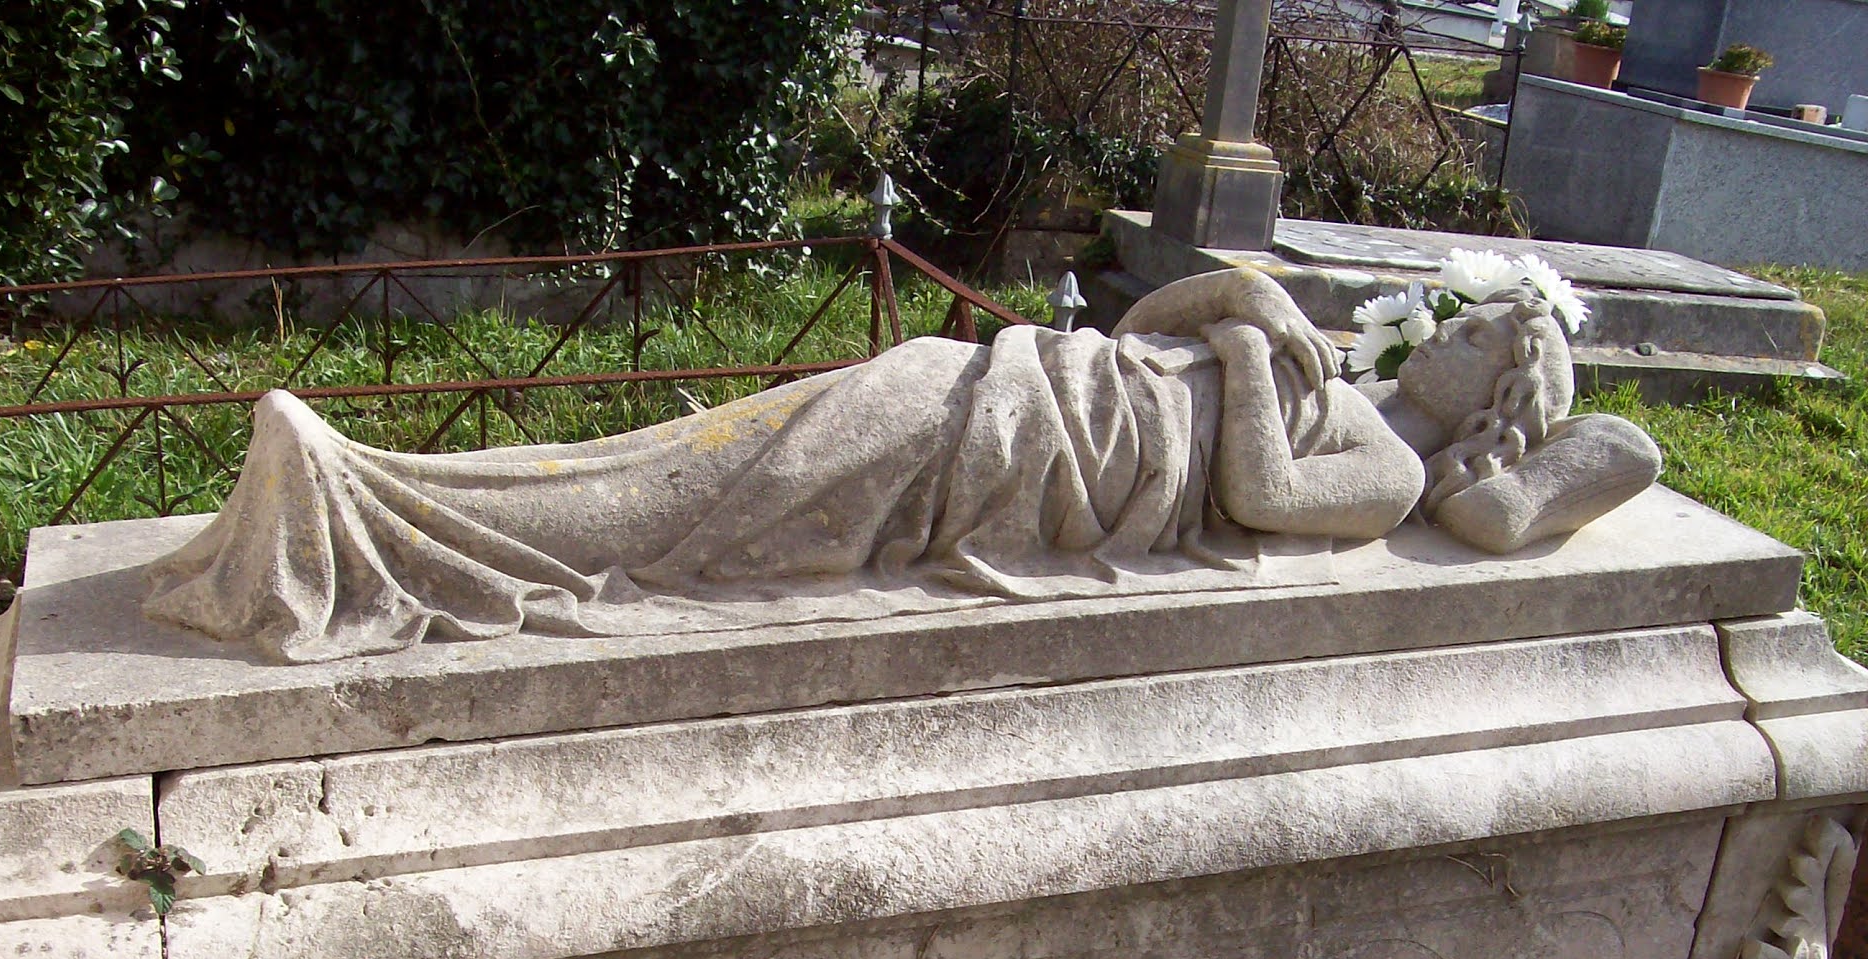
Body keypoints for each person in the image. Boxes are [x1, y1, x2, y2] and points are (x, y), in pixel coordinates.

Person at [143, 269, 1658, 663]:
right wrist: (1246, 300)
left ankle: (367, 521)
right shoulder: (1327, 354)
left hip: (1000, 479)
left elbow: (1260, 494)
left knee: (687, 528)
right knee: (690, 464)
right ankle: (378, 501)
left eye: (1470, 357)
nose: (1441, 347)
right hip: (987, 387)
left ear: (1477, 414)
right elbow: (1147, 319)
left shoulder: (1389, 475)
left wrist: (1255, 355)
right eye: (1454, 330)